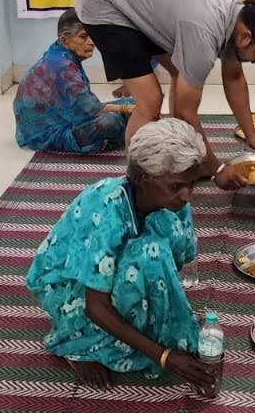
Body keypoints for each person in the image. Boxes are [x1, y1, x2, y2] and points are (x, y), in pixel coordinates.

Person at [23, 119, 218, 393]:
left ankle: (134, 323)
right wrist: (163, 355)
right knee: (148, 255)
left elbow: (175, 264)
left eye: (192, 184)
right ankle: (79, 346)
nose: (187, 196)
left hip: (117, 274)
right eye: (176, 186)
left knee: (153, 252)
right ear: (144, 178)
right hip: (71, 287)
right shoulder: (105, 208)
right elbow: (96, 306)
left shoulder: (173, 203)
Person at [74, 0, 255, 189]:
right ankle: (136, 183)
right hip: (102, 0)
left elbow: (234, 77)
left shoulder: (236, 16)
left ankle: (180, 158)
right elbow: (185, 113)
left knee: (179, 74)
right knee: (150, 100)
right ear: (245, 37)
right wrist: (216, 169)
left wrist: (252, 136)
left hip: (132, 3)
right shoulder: (205, 31)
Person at [14, 10, 133, 153]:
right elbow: (92, 108)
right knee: (111, 121)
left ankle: (116, 137)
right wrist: (126, 109)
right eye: (83, 37)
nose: (91, 42)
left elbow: (86, 106)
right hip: (47, 135)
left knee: (135, 103)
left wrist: (128, 107)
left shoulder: (60, 54)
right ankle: (110, 142)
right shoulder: (62, 65)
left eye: (92, 35)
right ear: (64, 40)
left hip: (64, 119)